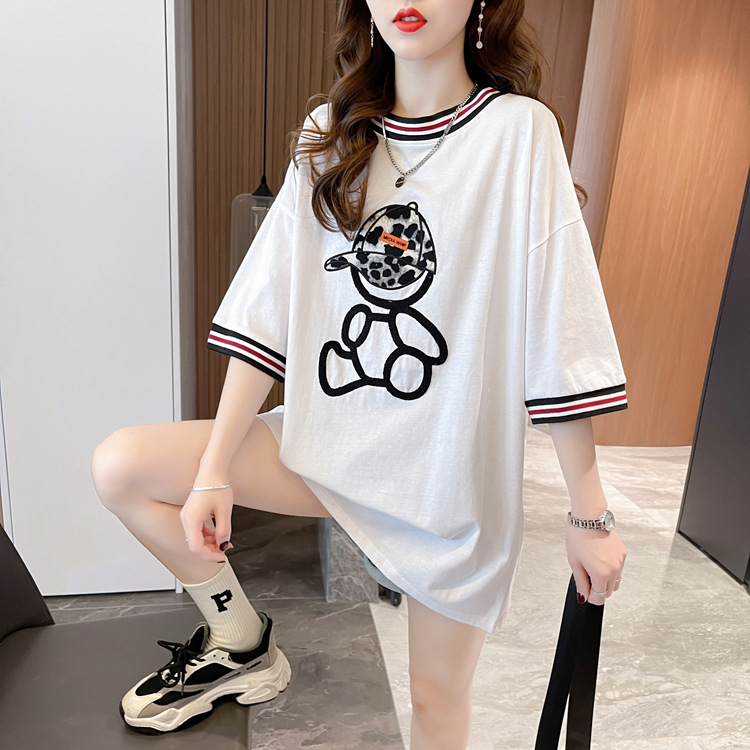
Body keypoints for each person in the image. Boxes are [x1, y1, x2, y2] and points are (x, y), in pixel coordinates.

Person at [91, 1, 628, 747]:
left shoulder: (518, 134)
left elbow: (559, 328)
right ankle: (239, 641)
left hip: (448, 484)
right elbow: (266, 310)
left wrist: (589, 515)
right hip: (328, 450)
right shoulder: (331, 132)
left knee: (436, 701)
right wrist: (213, 469)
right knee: (122, 466)